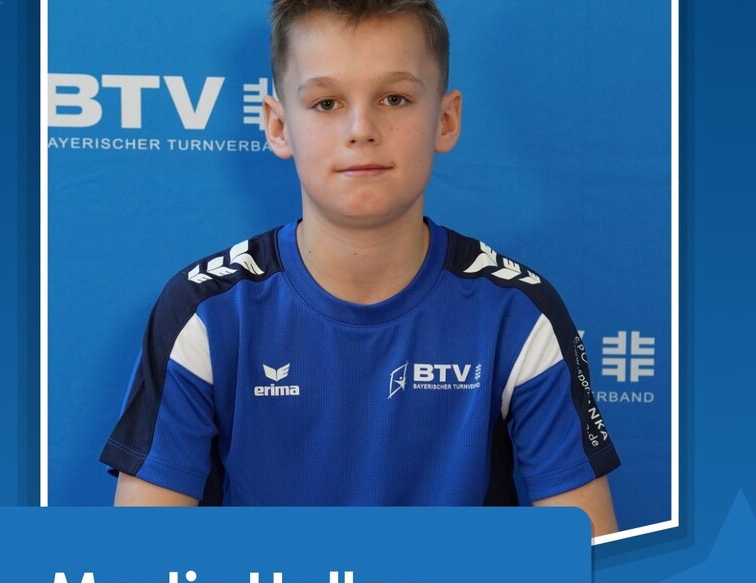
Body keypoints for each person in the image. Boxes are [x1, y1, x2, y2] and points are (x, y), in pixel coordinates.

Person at [101, 0, 620, 536]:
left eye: (395, 98)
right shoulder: (206, 312)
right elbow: (142, 561)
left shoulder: (519, 314)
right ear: (278, 126)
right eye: (326, 103)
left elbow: (591, 559)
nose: (361, 129)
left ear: (445, 119)